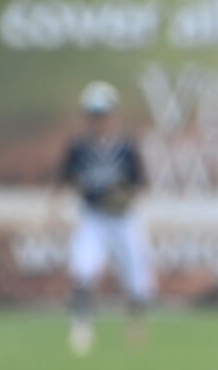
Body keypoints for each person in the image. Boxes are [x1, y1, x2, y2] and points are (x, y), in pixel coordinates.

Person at [50, 81, 154, 355]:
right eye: (94, 114)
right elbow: (63, 181)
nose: (99, 119)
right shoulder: (79, 148)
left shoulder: (125, 147)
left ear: (112, 114)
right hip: (93, 216)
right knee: (82, 269)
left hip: (122, 218)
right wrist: (54, 211)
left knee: (136, 275)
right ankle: (81, 327)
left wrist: (125, 197)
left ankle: (136, 327)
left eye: (103, 113)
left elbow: (141, 183)